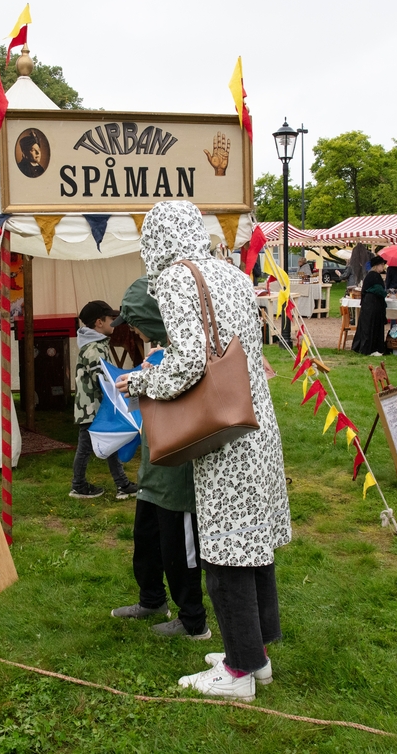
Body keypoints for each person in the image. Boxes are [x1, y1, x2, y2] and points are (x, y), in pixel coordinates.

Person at [117, 200, 290, 702]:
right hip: (254, 421)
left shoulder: (175, 278)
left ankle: (237, 673)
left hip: (224, 436)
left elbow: (190, 361)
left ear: (156, 238)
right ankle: (255, 655)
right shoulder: (230, 272)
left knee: (227, 550)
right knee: (252, 544)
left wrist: (141, 382)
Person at [108, 276, 209, 640]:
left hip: (177, 470)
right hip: (154, 466)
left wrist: (146, 379)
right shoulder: (161, 352)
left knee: (178, 547)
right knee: (146, 537)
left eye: (135, 322)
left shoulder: (189, 353)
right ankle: (151, 599)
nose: (132, 330)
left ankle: (193, 621)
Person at [71, 300, 139, 500]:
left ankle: (122, 484)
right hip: (93, 409)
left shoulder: (96, 345)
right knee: (85, 448)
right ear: (99, 323)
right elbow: (102, 379)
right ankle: (78, 485)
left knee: (111, 444)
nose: (114, 323)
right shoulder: (94, 348)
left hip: (97, 407)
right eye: (111, 319)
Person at [350, 255, 388, 356]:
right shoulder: (374, 276)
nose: (383, 266)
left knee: (368, 325)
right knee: (372, 325)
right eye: (382, 265)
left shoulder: (370, 275)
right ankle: (372, 347)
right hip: (373, 303)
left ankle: (365, 346)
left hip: (369, 303)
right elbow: (379, 290)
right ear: (377, 265)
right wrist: (385, 293)